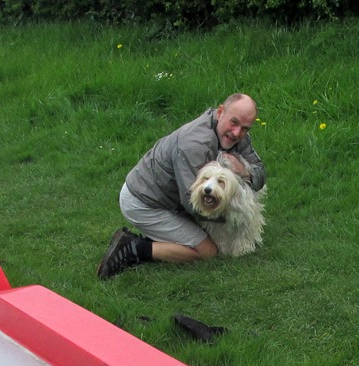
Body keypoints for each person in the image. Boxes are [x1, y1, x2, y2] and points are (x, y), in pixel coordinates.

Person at [97, 93, 266, 279]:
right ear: (220, 112)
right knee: (208, 251)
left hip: (171, 200)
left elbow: (260, 174)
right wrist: (238, 215)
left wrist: (243, 171)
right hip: (144, 203)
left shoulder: (236, 134)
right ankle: (134, 248)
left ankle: (166, 237)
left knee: (208, 233)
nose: (236, 133)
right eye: (234, 122)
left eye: (245, 128)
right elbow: (193, 204)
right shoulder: (193, 144)